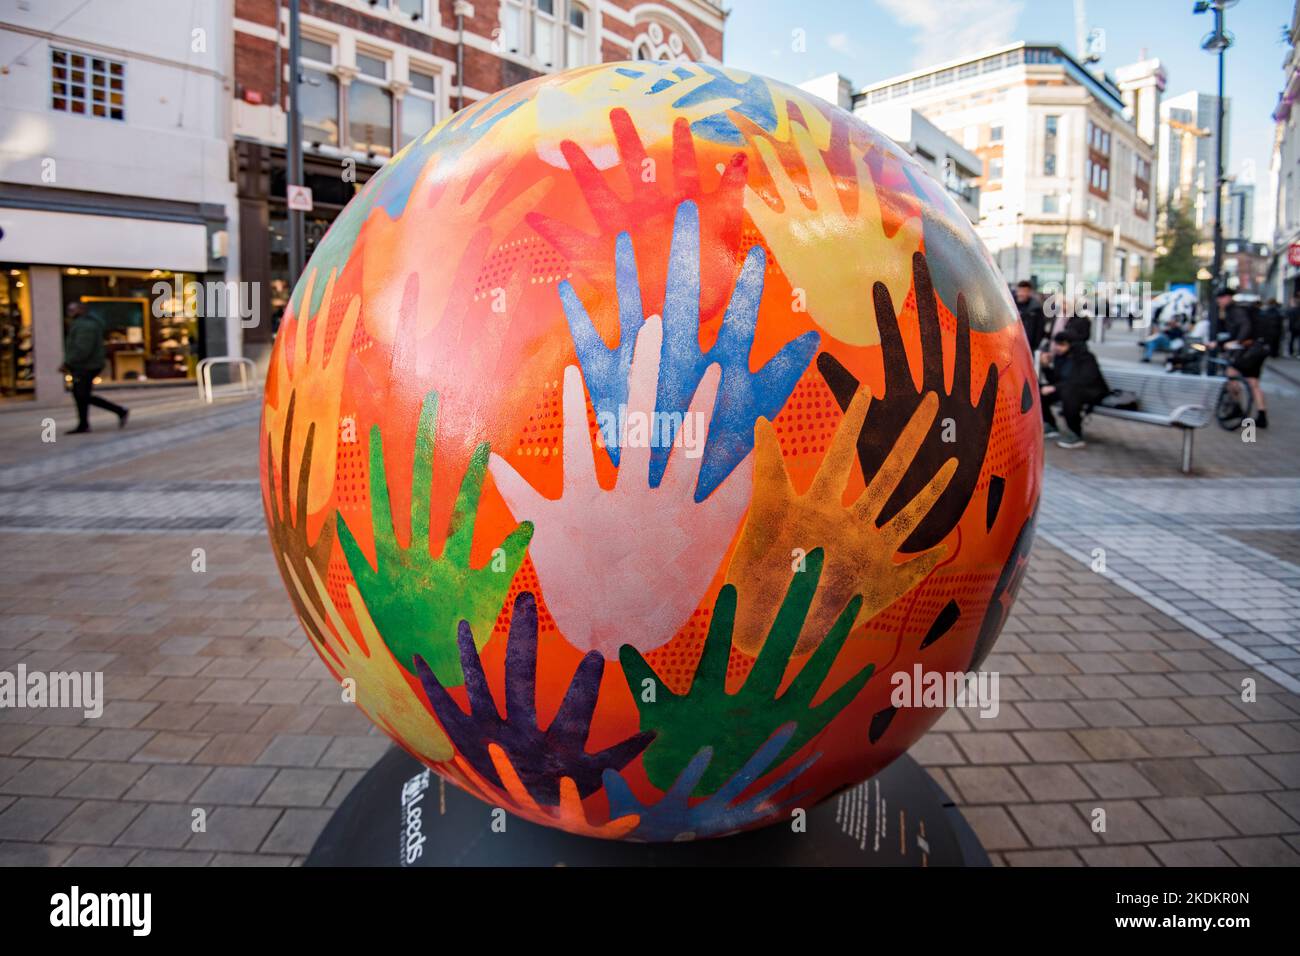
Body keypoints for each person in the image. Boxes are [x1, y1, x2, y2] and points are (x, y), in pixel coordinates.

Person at [62, 302, 128, 434]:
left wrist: (69, 362)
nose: (69, 312)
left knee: (82, 394)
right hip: (86, 364)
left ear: (80, 310)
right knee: (81, 394)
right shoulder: (84, 324)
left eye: (72, 309)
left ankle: (118, 411)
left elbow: (83, 348)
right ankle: (85, 423)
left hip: (86, 365)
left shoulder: (85, 326)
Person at [1040, 332, 1109, 449]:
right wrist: (1046, 367)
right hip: (1067, 388)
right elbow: (1056, 379)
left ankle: (1075, 433)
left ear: (1071, 345)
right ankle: (1050, 424)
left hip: (1090, 390)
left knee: (1070, 394)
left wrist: (1055, 387)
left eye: (1061, 344)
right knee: (1039, 390)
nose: (1057, 347)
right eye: (1056, 344)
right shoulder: (1060, 358)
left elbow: (1080, 380)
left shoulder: (1085, 358)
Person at [1215, 287, 1269, 429]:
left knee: (1231, 374)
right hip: (1259, 348)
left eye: (1220, 298)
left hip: (1249, 350)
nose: (1218, 301)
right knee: (1254, 382)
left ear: (1227, 297)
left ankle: (1237, 408)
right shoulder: (1244, 308)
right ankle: (1262, 415)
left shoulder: (1235, 310)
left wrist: (1237, 342)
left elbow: (1245, 326)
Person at [1014, 280, 1046, 352]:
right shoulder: (1011, 306)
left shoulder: (1036, 309)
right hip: (1013, 346)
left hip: (1029, 348)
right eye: (1019, 291)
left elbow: (1040, 329)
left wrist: (1034, 347)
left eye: (1024, 291)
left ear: (1029, 293)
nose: (1021, 294)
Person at [1287, 289, 1300, 358]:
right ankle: (1297, 353)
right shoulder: (1294, 310)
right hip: (1297, 327)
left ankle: (1291, 352)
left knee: (1292, 340)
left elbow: (1289, 319)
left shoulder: (1291, 310)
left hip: (1293, 328)